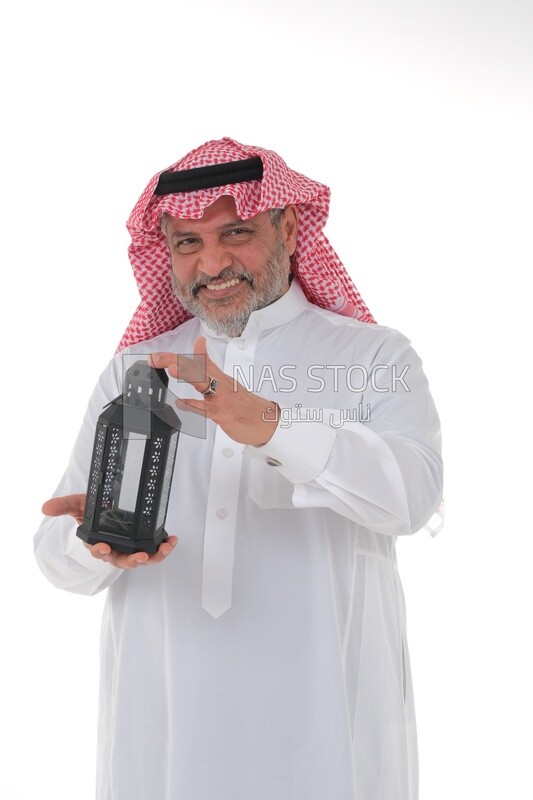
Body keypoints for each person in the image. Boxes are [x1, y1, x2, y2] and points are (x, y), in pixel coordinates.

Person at [34, 137, 443, 800]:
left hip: (325, 729)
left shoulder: (373, 356)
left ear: (286, 226)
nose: (213, 262)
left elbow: (412, 499)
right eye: (188, 243)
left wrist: (272, 427)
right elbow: (56, 553)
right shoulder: (134, 369)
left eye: (236, 232)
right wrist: (91, 541)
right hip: (164, 733)